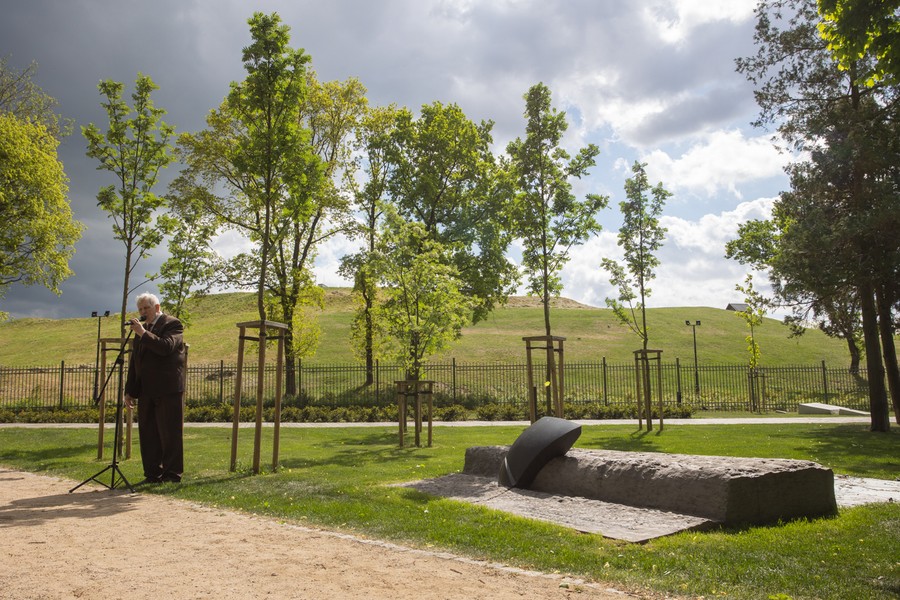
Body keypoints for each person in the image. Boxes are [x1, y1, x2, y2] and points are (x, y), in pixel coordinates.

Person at [124, 292, 186, 485]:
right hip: (146, 390)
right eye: (140, 309)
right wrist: (129, 391)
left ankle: (171, 475)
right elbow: (135, 362)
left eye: (146, 308)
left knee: (169, 433)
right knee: (148, 434)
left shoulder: (172, 324)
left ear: (157, 307)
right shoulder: (141, 332)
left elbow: (166, 347)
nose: (143, 312)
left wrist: (143, 333)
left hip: (168, 389)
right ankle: (152, 475)